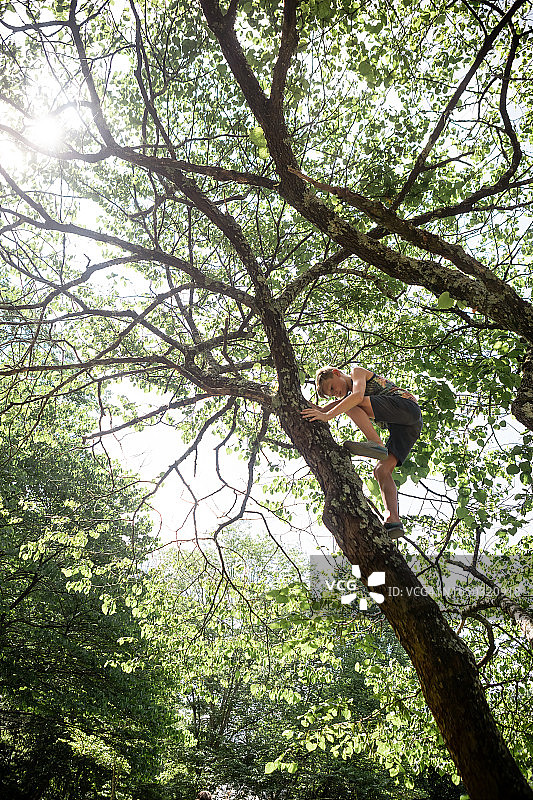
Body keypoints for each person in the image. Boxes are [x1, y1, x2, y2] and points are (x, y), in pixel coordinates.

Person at [300, 365, 422, 536]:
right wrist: (314, 409)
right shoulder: (348, 398)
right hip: (407, 427)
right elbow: (325, 408)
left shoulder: (356, 372)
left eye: (332, 387)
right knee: (381, 470)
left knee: (351, 403)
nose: (335, 393)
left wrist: (327, 416)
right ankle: (393, 520)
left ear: (336, 373)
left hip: (407, 407)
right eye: (331, 394)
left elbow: (357, 397)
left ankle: (376, 443)